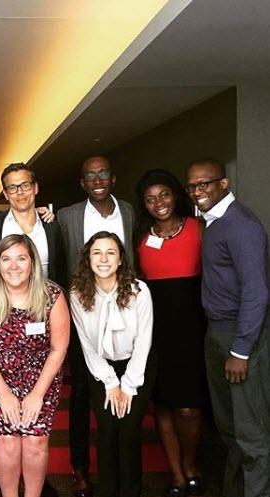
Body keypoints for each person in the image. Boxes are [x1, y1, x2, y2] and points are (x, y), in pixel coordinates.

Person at [186, 158, 270, 497]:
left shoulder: (240, 225)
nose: (197, 191)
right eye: (192, 186)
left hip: (241, 337)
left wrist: (240, 350)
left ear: (224, 184)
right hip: (218, 332)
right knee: (229, 428)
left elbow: (257, 292)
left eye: (204, 184)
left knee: (251, 433)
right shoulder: (212, 223)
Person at [0, 234, 70, 497]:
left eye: (21, 258)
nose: (13, 266)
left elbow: (59, 348)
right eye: (6, 259)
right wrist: (4, 395)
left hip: (42, 378)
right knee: (7, 441)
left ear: (33, 262)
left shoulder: (52, 295)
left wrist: (37, 394)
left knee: (35, 442)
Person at [57, 156, 135, 497]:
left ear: (113, 178)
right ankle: (80, 468)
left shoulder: (130, 212)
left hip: (126, 313)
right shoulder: (66, 217)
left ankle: (118, 468)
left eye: (103, 173)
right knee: (83, 392)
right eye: (90, 175)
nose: (98, 179)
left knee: (124, 388)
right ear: (82, 183)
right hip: (83, 312)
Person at [134, 169, 207, 497]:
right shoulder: (139, 237)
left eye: (164, 195)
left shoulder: (199, 228)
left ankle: (191, 464)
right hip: (154, 332)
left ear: (176, 195)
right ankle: (176, 474)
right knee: (161, 406)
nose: (158, 203)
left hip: (193, 330)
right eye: (150, 199)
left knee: (189, 407)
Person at [70, 231, 154, 497]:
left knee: (128, 432)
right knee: (106, 432)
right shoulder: (78, 294)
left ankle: (131, 492)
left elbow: (144, 341)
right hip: (101, 368)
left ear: (120, 260)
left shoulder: (139, 291)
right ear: (88, 259)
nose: (103, 259)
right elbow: (86, 343)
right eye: (97, 253)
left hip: (136, 366)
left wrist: (128, 385)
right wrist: (109, 381)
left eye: (110, 253)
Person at [0, 162, 65, 285]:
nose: (20, 192)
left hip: (47, 300)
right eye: (12, 188)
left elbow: (61, 269)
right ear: (6, 194)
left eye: (25, 185)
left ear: (35, 188)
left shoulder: (52, 225)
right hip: (3, 302)